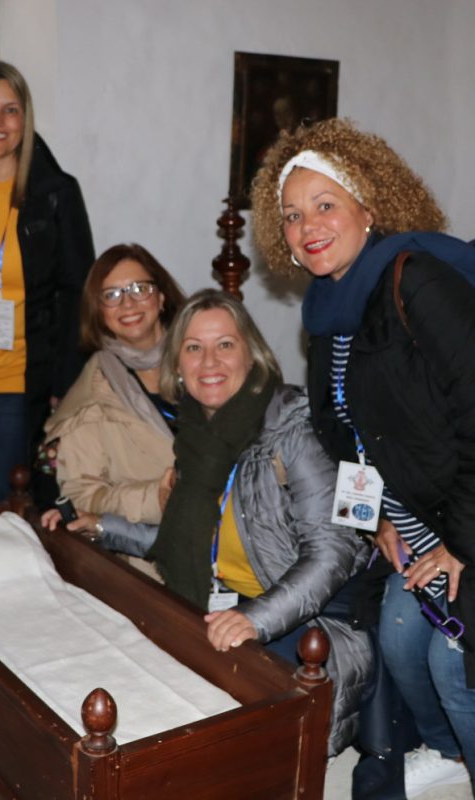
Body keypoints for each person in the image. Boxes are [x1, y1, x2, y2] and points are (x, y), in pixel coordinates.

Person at [251, 117, 475, 798]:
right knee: (399, 644)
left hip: (466, 516)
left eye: (325, 205)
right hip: (415, 523)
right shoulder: (327, 313)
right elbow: (343, 434)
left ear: (368, 208)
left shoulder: (418, 280)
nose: (308, 227)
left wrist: (461, 544)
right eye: (293, 215)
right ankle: (451, 754)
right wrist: (370, 518)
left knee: (453, 668)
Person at [45, 289, 372, 755]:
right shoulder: (196, 434)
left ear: (252, 354)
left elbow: (333, 552)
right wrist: (102, 527)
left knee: (227, 741)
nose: (209, 362)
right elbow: (190, 539)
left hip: (303, 615)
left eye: (225, 345)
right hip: (224, 601)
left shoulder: (293, 428)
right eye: (194, 347)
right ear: (177, 365)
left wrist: (254, 619)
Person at [0, 59, 94, 504]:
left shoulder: (56, 194)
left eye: (10, 110)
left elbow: (78, 292)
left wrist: (65, 383)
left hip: (13, 383)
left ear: (25, 120)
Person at [43, 243, 184, 524]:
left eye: (139, 289)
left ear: (161, 297)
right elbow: (82, 494)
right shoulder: (92, 395)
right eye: (111, 295)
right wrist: (154, 498)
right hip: (150, 543)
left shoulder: (204, 357)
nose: (128, 303)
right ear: (99, 312)